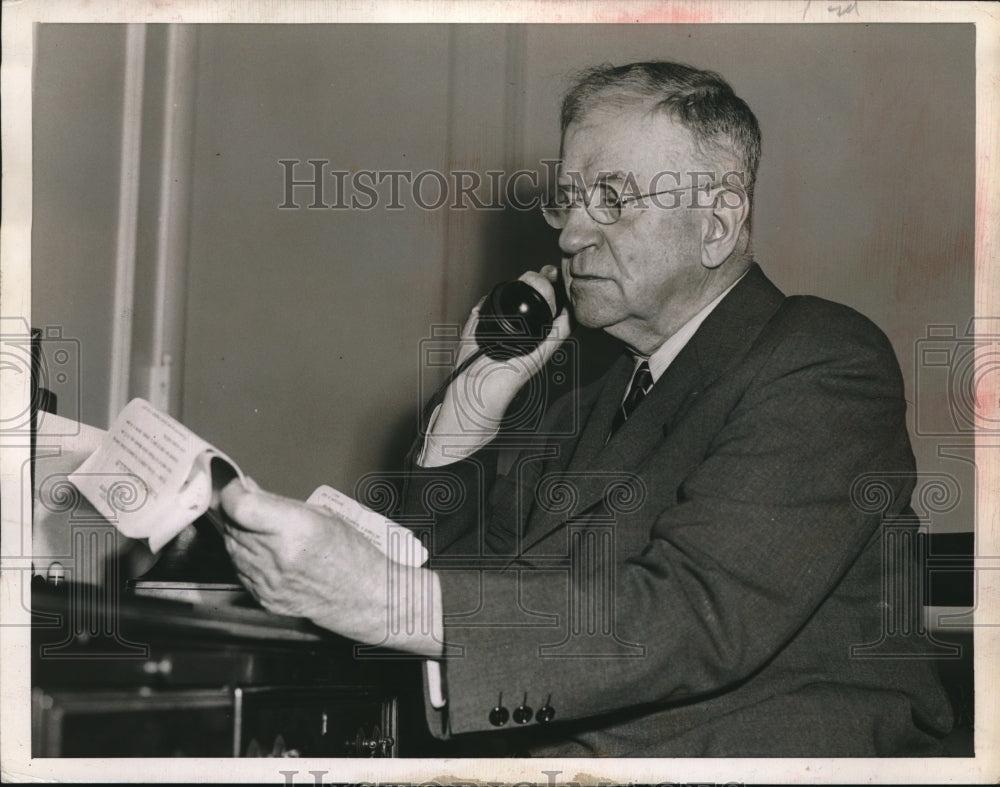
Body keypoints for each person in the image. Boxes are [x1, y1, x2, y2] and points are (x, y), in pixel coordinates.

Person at [220, 60, 954, 756]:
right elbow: (470, 594)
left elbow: (687, 620)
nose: (569, 235)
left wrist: (387, 600)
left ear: (719, 220)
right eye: (568, 200)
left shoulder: (819, 360)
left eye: (612, 198)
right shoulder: (591, 397)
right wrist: (466, 413)